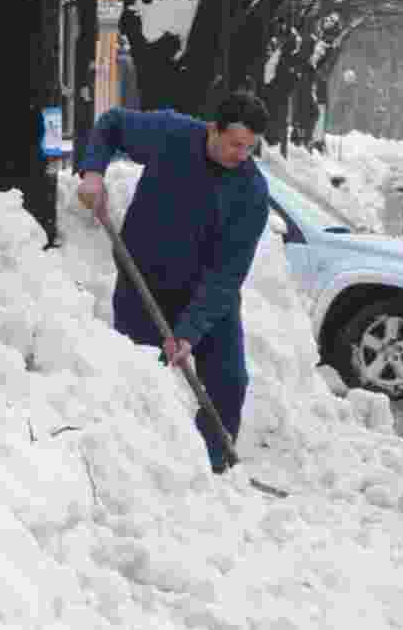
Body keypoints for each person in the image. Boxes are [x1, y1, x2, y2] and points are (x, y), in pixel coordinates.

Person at [76, 92, 270, 474]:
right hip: (142, 283)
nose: (241, 155)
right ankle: (138, 465)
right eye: (235, 144)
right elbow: (112, 124)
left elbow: (227, 275)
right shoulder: (172, 134)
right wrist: (94, 172)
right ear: (213, 129)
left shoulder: (251, 192)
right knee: (138, 377)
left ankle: (209, 469)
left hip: (207, 292)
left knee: (229, 381)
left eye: (250, 147)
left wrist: (188, 332)